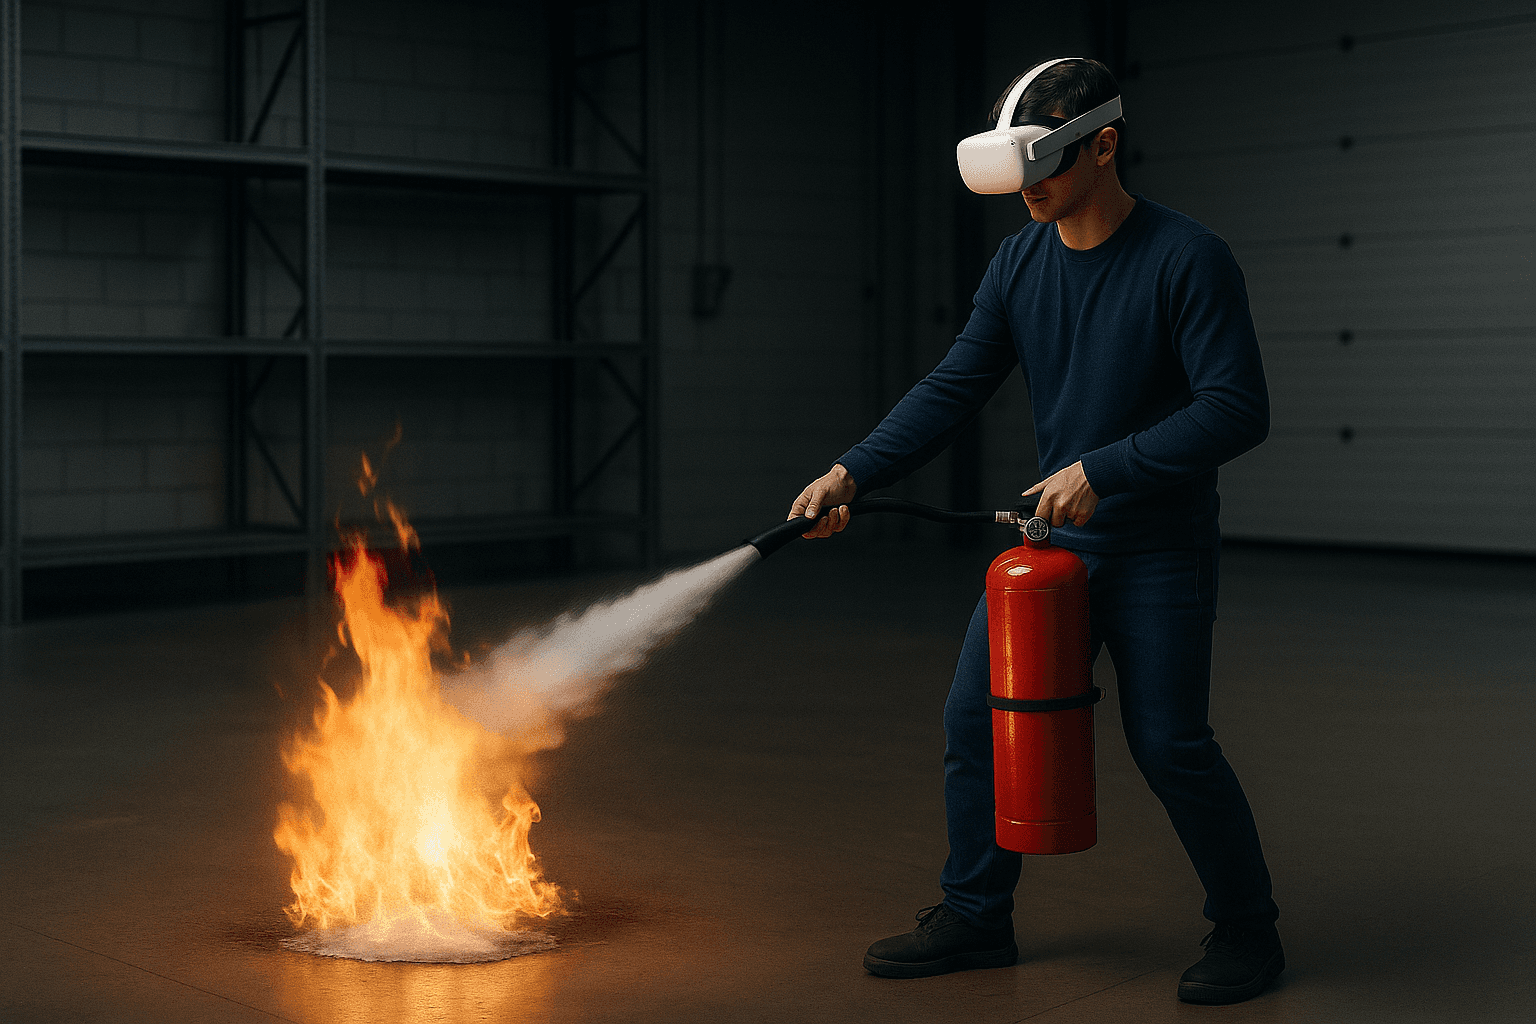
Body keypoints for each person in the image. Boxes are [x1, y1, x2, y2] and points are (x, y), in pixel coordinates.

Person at [787, 58, 1283, 1006]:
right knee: (974, 722)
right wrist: (856, 470)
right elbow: (953, 385)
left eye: (1045, 166)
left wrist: (1106, 468)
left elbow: (1237, 409)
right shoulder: (1019, 261)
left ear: (1104, 144)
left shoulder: (1189, 257)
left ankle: (1249, 929)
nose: (1028, 190)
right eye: (1017, 169)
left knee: (1171, 744)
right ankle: (977, 916)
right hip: (1055, 553)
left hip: (1159, 551)